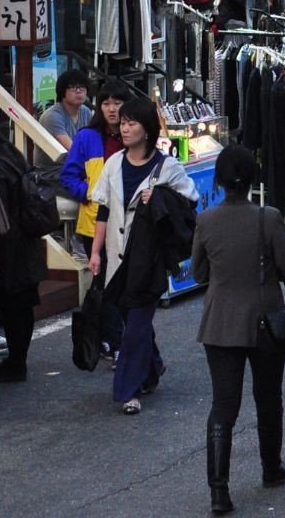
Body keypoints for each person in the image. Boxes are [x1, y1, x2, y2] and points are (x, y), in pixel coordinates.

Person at [190, 145, 285, 514]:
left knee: (223, 405)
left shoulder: (205, 221)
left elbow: (198, 273)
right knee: (268, 397)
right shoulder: (268, 217)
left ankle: (219, 491)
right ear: (253, 178)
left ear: (218, 181)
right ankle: (272, 467)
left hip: (219, 322)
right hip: (265, 322)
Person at [89, 95, 197, 415]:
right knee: (130, 319)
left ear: (147, 129)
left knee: (135, 325)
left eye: (131, 122)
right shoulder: (113, 164)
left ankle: (128, 390)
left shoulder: (167, 166)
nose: (124, 127)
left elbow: (189, 202)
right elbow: (104, 211)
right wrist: (95, 253)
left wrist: (160, 196)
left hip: (149, 258)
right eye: (122, 122)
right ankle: (152, 369)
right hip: (116, 255)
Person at [0, 118, 48, 382]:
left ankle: (15, 363)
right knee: (23, 306)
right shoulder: (14, 157)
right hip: (27, 242)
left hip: (11, 247)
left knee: (13, 305)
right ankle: (18, 360)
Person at [62, 79, 131, 259]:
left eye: (117, 103)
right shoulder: (86, 136)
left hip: (129, 219)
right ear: (99, 107)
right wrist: (89, 194)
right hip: (93, 220)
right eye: (106, 104)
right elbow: (69, 176)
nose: (112, 109)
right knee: (100, 276)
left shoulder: (135, 134)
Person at [39, 69, 92, 152]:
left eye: (82, 87)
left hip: (78, 162)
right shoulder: (52, 116)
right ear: (62, 91)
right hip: (56, 164)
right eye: (73, 87)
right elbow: (72, 150)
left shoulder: (86, 112)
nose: (78, 91)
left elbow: (92, 141)